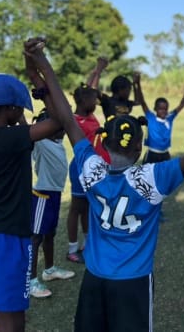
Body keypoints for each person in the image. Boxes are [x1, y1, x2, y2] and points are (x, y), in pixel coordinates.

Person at [23, 38, 184, 332]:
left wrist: (42, 61)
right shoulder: (150, 177)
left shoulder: (91, 168)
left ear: (103, 143)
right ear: (139, 148)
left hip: (96, 277)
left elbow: (67, 119)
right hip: (133, 281)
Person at [0, 51, 62, 331]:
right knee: (11, 317)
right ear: (10, 108)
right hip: (8, 238)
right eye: (19, 108)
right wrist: (41, 74)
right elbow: (60, 121)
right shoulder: (11, 138)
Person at [29, 109, 75, 299]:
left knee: (50, 234)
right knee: (35, 238)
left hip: (54, 195)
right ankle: (30, 281)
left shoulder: (56, 141)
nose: (62, 129)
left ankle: (49, 270)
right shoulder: (40, 142)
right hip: (42, 196)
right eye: (58, 126)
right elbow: (28, 130)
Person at [66, 81, 111, 264]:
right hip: (79, 167)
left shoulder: (90, 115)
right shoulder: (74, 120)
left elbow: (89, 87)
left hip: (95, 167)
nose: (96, 102)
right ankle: (71, 249)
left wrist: (98, 70)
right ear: (83, 101)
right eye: (93, 99)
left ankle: (87, 243)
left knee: (88, 207)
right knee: (76, 208)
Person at [135, 73, 184, 163]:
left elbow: (181, 104)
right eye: (160, 109)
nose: (163, 111)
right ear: (155, 109)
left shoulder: (169, 118)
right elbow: (142, 102)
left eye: (165, 109)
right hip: (152, 154)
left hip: (165, 154)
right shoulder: (151, 118)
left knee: (165, 176)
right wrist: (138, 83)